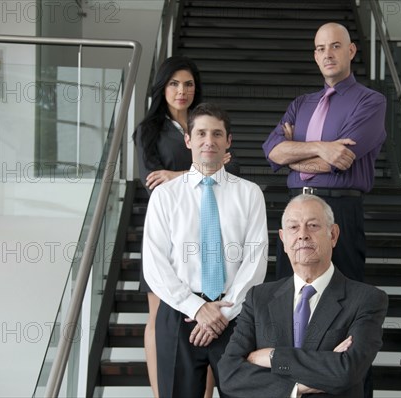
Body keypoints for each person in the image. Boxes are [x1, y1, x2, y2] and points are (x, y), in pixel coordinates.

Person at [142, 103, 268, 397]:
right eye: (200, 133)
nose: (208, 141)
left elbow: (256, 261)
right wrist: (197, 308)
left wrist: (223, 313)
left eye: (216, 134)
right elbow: (155, 263)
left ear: (228, 141)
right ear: (188, 140)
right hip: (179, 313)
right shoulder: (164, 195)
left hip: (234, 316)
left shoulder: (249, 194)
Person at [133, 56, 238, 397]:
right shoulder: (150, 129)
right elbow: (154, 180)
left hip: (207, 228)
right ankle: (163, 390)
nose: (182, 90)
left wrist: (183, 173)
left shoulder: (204, 123)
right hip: (168, 232)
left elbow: (219, 170)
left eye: (188, 84)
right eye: (174, 84)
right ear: (162, 87)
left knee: (205, 320)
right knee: (162, 316)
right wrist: (195, 172)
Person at [218, 194, 388, 398]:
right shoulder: (259, 298)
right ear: (283, 239)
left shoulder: (366, 299)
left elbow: (346, 371)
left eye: (313, 225)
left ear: (333, 235)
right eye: (293, 227)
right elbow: (229, 374)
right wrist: (298, 387)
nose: (302, 235)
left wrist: (272, 357)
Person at [262, 22, 387, 283]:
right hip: (296, 208)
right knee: (288, 293)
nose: (327, 54)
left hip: (339, 207)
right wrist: (321, 147)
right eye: (321, 48)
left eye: (335, 46)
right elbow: (273, 152)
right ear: (315, 56)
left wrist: (293, 157)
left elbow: (339, 159)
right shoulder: (300, 104)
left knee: (342, 299)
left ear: (351, 50)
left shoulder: (371, 101)